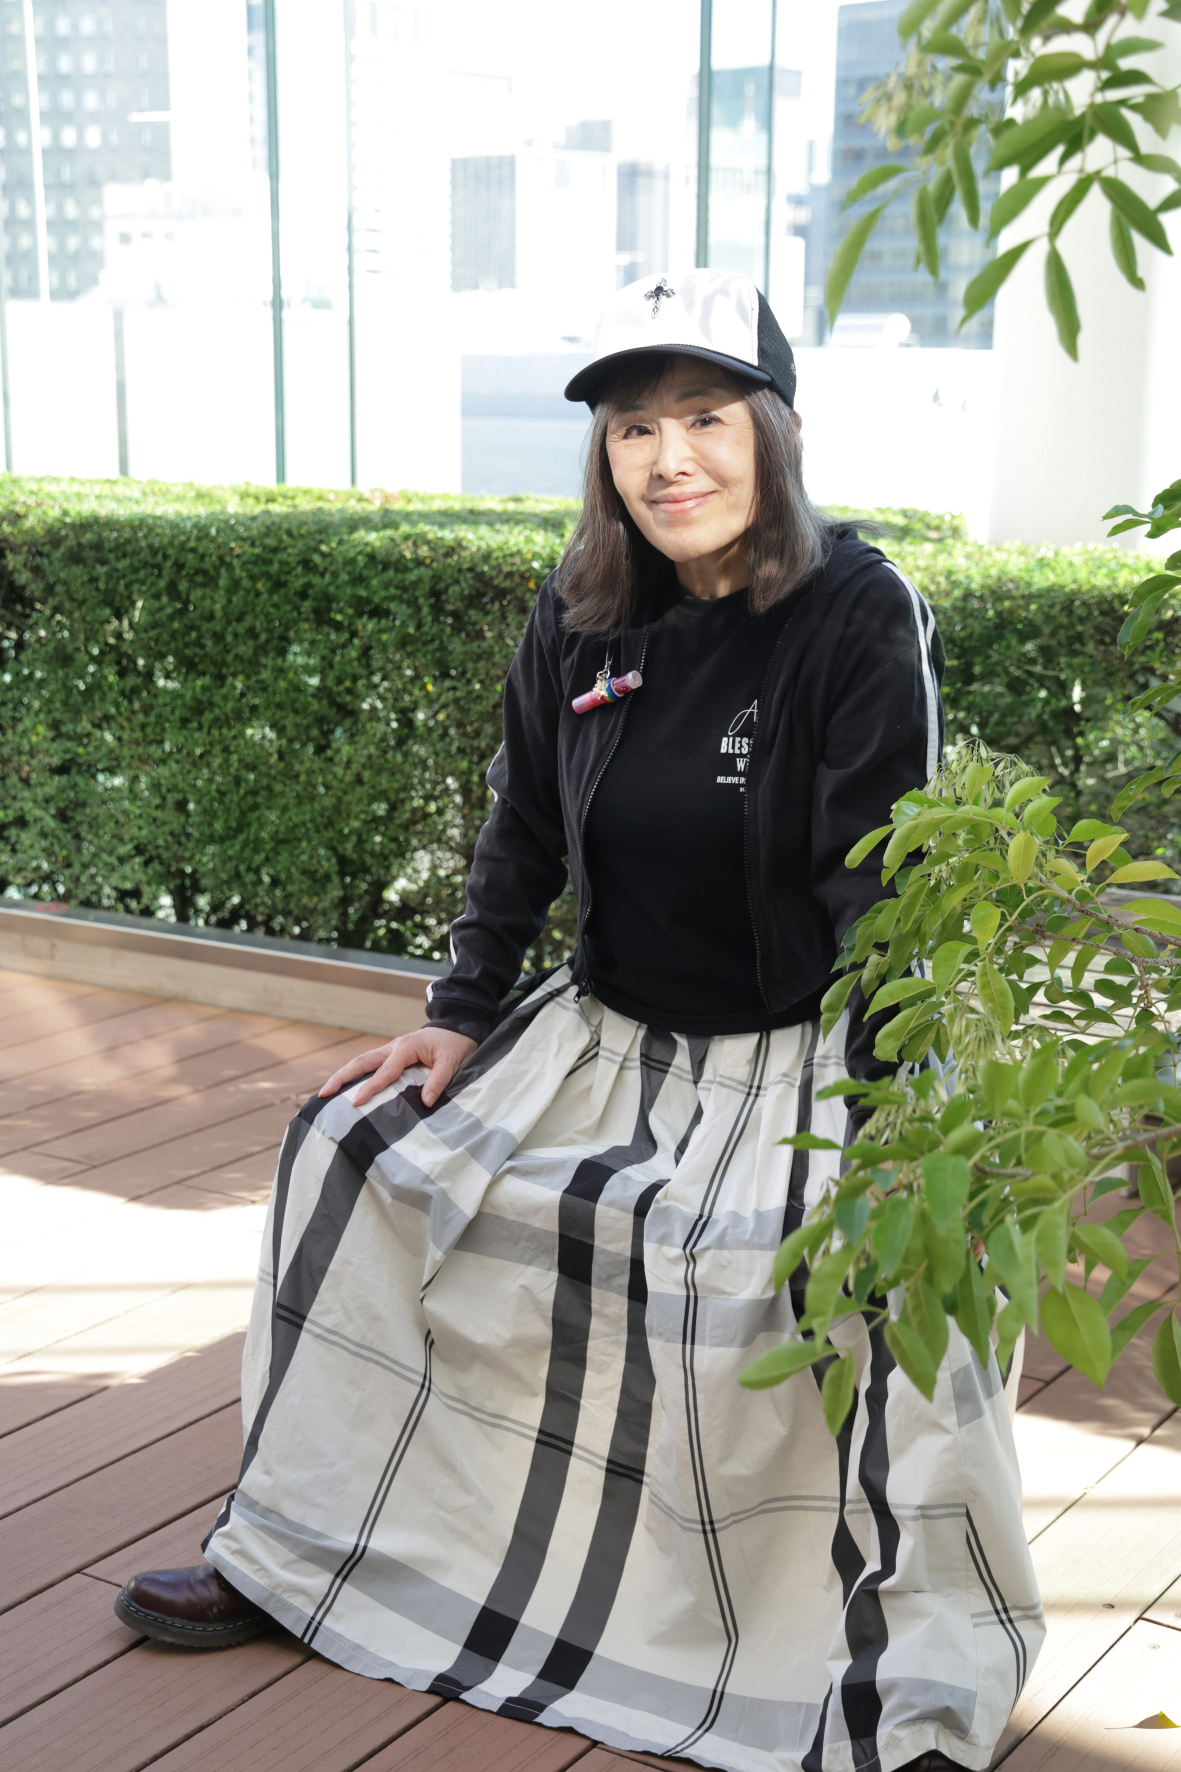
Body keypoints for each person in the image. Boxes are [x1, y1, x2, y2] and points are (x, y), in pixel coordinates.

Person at [115, 270, 1042, 1772]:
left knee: (869, 1278)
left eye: (704, 418)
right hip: (607, 1034)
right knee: (351, 1152)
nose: (668, 458)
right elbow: (526, 827)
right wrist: (459, 1014)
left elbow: (885, 884)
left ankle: (904, 1671)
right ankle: (295, 1549)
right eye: (632, 427)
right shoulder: (582, 607)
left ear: (774, 432)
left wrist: (885, 1120)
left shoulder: (857, 612)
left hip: (801, 1047)